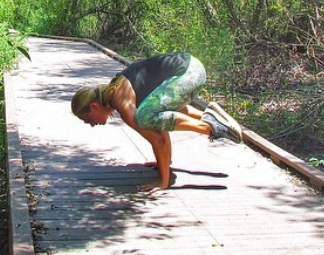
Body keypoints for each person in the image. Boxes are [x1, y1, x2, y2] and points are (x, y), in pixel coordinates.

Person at [71, 52, 242, 192]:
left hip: (188, 73)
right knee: (152, 113)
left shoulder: (121, 101)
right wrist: (164, 163)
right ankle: (210, 115)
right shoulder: (117, 88)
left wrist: (163, 181)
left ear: (93, 106)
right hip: (192, 67)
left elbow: (158, 139)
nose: (92, 124)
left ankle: (213, 126)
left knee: (144, 117)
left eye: (88, 120)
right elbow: (160, 128)